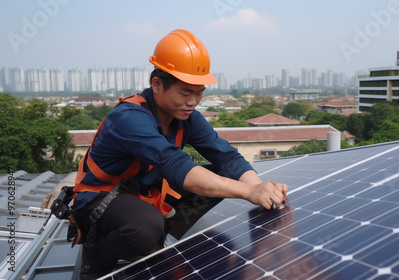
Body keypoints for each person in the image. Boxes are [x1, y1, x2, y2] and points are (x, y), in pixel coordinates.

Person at [71, 29, 288, 279]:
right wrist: (249, 192)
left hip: (142, 195)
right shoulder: (129, 118)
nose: (193, 102)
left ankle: (157, 238)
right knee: (144, 226)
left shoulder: (188, 119)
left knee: (223, 175)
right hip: (101, 201)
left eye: (199, 93)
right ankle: (98, 255)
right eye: (185, 93)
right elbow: (175, 165)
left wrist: (261, 190)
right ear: (157, 84)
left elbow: (226, 157)